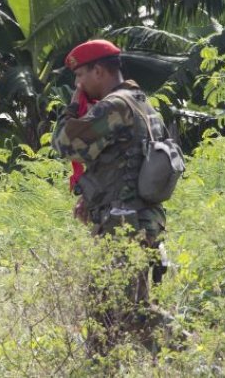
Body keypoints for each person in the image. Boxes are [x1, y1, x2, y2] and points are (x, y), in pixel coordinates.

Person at [52, 39, 170, 355]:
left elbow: (65, 143)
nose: (78, 85)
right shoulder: (141, 102)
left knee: (130, 313)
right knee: (104, 316)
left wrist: (73, 107)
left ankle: (198, 363)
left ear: (99, 71)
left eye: (80, 77)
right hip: (136, 220)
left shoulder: (115, 105)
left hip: (124, 226)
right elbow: (124, 162)